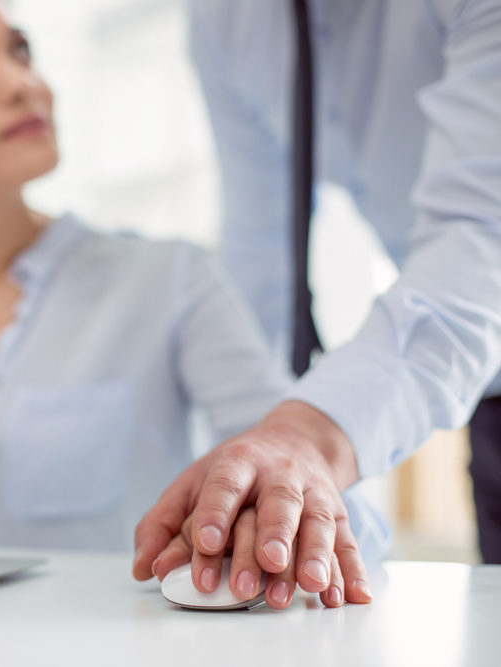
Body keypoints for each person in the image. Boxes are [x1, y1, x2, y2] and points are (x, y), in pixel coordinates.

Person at [0, 0, 385, 608]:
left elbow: (317, 491)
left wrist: (266, 522)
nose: (22, 84)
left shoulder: (170, 281)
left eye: (20, 51)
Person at [132, 0, 501, 603]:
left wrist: (310, 439)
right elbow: (262, 259)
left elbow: (485, 234)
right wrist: (261, 486)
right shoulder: (226, 20)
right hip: (489, 393)